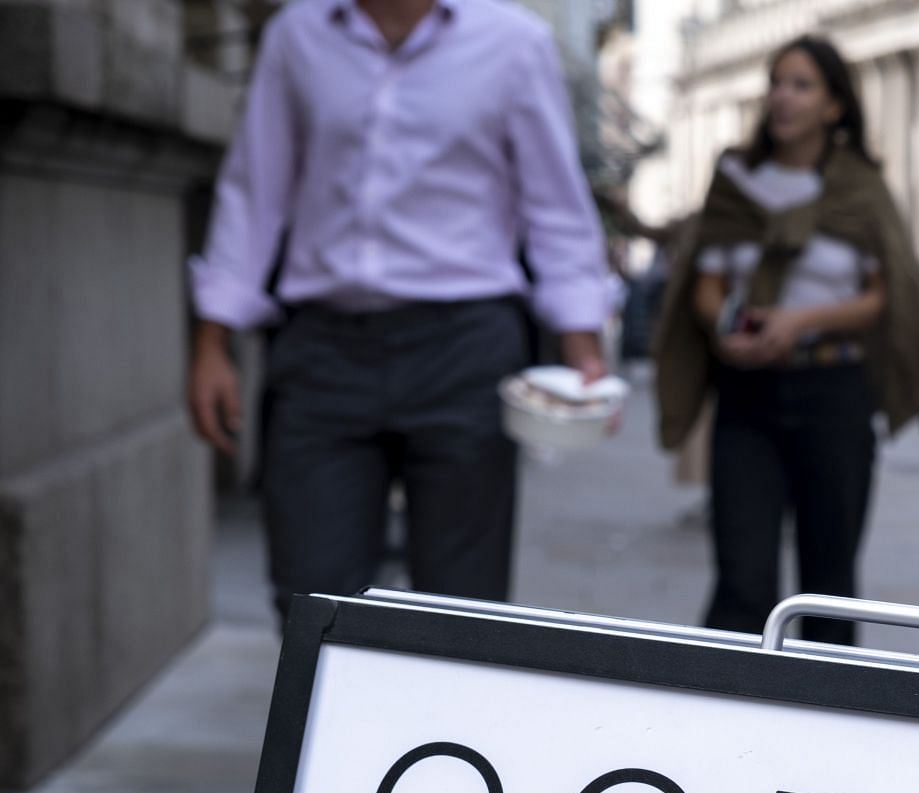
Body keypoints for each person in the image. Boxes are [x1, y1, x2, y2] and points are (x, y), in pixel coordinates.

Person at [186, 0, 610, 619]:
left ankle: (448, 718)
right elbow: (254, 191)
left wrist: (584, 354)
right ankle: (329, 717)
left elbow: (556, 204)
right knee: (311, 600)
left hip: (466, 348)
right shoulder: (296, 36)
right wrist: (211, 342)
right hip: (321, 350)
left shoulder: (516, 43)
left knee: (462, 609)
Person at [654, 35, 919, 647]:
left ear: (834, 105)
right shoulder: (735, 180)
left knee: (828, 583)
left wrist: (799, 321)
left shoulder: (860, 188)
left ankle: (825, 724)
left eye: (802, 85)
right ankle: (726, 718)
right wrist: (727, 329)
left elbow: (882, 295)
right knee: (742, 579)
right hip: (747, 392)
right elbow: (705, 285)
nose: (783, 98)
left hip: (832, 389)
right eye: (777, 83)